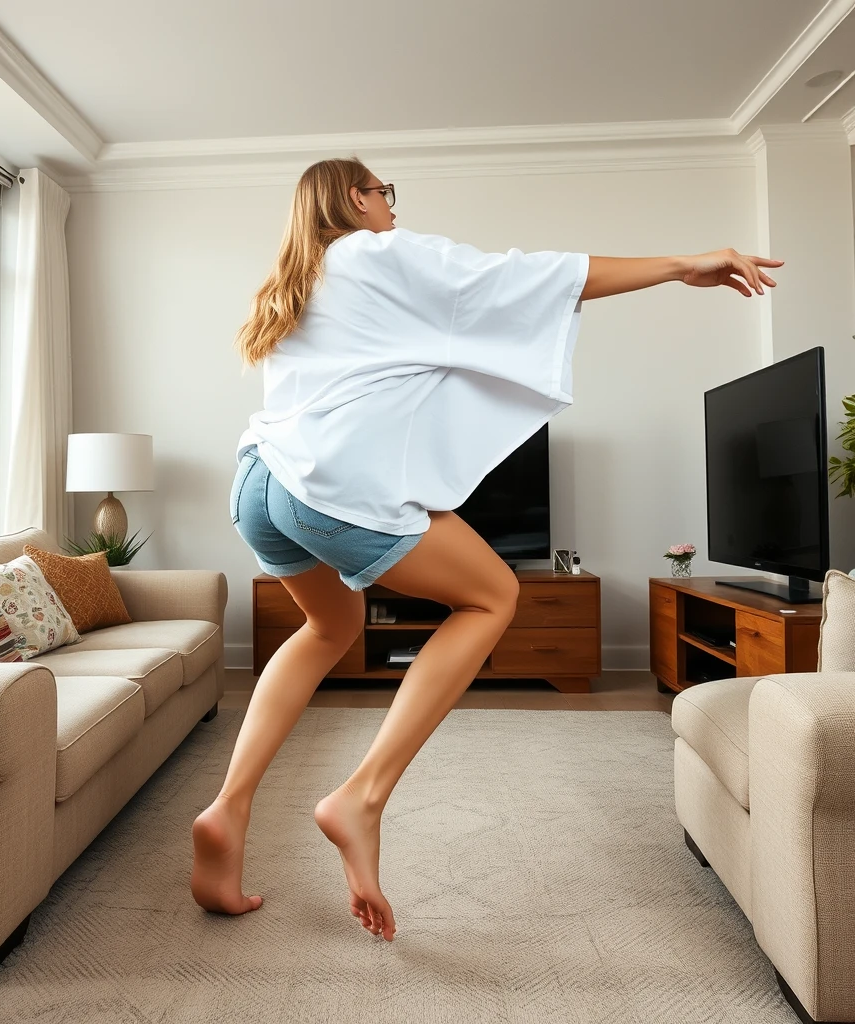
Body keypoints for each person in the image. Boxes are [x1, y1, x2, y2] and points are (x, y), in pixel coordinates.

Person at [191, 158, 781, 943]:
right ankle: (360, 800)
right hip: (327, 492)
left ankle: (227, 810)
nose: (392, 208)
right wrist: (681, 265)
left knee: (329, 630)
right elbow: (521, 279)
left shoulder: (296, 283)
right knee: (494, 595)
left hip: (257, 483)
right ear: (354, 200)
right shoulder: (375, 255)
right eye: (383, 193)